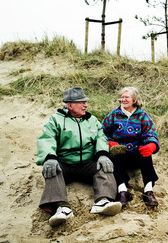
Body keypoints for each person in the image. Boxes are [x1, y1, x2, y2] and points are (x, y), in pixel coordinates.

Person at [36, 87, 122, 227]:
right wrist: (49, 157)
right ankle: (62, 207)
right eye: (82, 102)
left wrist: (102, 154)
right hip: (64, 163)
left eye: (86, 102)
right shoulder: (55, 119)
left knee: (105, 167)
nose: (86, 105)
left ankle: (102, 201)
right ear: (70, 105)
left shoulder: (92, 120)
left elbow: (101, 137)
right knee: (52, 169)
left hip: (87, 164)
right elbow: (47, 138)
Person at [102, 86, 160, 207]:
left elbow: (150, 133)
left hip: (137, 153)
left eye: (126, 97)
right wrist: (110, 142)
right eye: (122, 97)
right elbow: (102, 132)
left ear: (134, 99)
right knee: (115, 155)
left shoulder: (143, 115)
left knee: (146, 154)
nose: (123, 100)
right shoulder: (114, 115)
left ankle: (148, 191)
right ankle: (123, 191)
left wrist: (151, 145)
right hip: (120, 152)